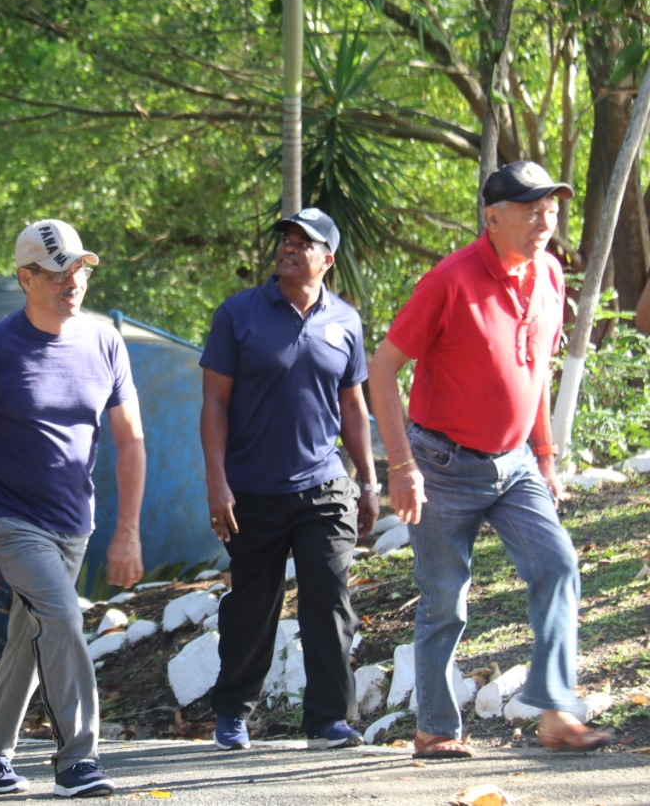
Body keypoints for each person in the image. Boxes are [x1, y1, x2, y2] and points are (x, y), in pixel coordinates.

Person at [369, 160, 615, 758]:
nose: (544, 222)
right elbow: (382, 367)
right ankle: (434, 729)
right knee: (445, 601)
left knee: (557, 566)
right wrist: (401, 466)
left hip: (516, 463)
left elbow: (535, 371)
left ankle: (555, 711)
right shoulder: (449, 280)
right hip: (441, 464)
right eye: (530, 211)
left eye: (550, 210)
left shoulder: (550, 273)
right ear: (492, 218)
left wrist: (546, 455)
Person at [0, 218, 146, 798]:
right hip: (9, 516)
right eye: (58, 272)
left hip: (73, 520)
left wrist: (127, 530)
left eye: (79, 268)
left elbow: (130, 440)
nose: (72, 281)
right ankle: (78, 759)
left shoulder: (105, 342)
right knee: (61, 618)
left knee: (31, 633)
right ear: (25, 278)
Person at [199, 208, 379, 753]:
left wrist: (369, 483)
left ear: (328, 259)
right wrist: (216, 482)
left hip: (325, 486)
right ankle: (233, 711)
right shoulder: (239, 314)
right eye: (287, 240)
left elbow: (353, 406)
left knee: (329, 598)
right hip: (252, 490)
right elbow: (214, 403)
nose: (290, 248)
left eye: (305, 242)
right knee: (253, 605)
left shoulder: (345, 321)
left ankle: (328, 720)